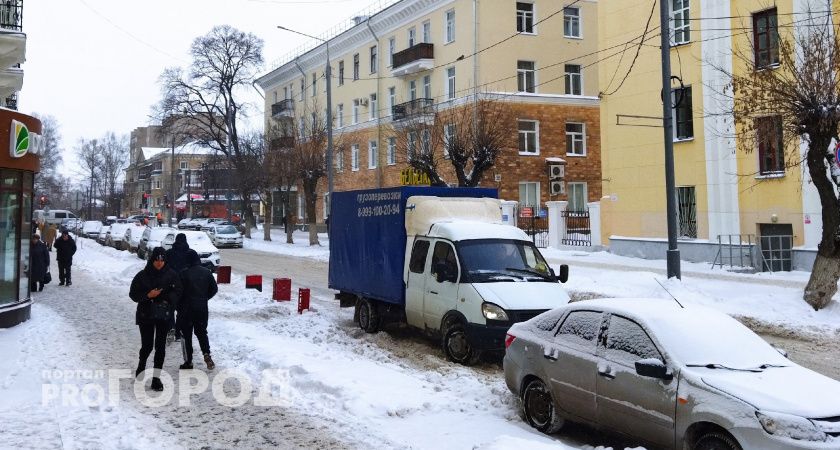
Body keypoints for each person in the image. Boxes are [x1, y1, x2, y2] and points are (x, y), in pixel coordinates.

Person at [129, 247, 182, 391]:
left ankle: (156, 378)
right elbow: (133, 294)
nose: (159, 263)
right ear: (152, 260)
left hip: (163, 315)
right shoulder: (142, 275)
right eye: (157, 260)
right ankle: (141, 367)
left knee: (160, 347)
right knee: (147, 345)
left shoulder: (172, 275)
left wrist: (166, 299)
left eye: (162, 260)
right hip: (145, 314)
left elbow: (178, 292)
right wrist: (148, 296)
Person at [178, 250, 218, 370]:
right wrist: (204, 298)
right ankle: (206, 354)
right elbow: (214, 289)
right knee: (201, 332)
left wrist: (178, 306)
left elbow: (178, 292)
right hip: (201, 308)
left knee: (187, 335)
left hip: (186, 309)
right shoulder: (206, 272)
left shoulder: (183, 273)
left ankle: (188, 361)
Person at [164, 233, 191, 341]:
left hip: (172, 285)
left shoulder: (169, 253)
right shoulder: (190, 253)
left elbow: (164, 268)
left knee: (170, 308)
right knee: (182, 310)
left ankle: (171, 327)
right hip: (185, 286)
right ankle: (179, 332)